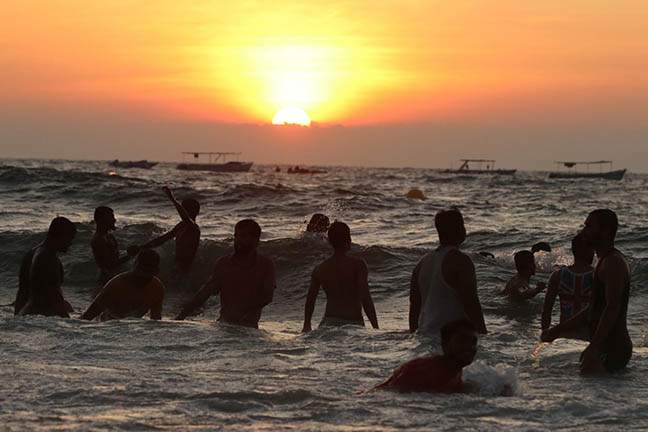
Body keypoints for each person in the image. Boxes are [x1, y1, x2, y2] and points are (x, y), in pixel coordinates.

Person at [541, 209, 632, 374]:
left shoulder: (613, 263)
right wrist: (556, 331)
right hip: (603, 346)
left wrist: (594, 347)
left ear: (605, 231)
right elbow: (592, 310)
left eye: (589, 226)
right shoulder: (603, 262)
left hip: (613, 348)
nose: (584, 231)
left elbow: (612, 308)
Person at [175, 219, 276, 328]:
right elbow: (206, 292)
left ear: (255, 240)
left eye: (243, 236)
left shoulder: (265, 264)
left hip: (249, 329)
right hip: (224, 327)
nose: (238, 240)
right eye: (236, 236)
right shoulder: (224, 263)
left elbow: (267, 296)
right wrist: (181, 316)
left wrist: (246, 312)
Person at [409, 209, 487, 336]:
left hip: (425, 337)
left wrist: (413, 334)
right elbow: (471, 303)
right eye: (462, 225)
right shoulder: (460, 260)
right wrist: (483, 334)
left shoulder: (422, 263)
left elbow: (414, 305)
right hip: (453, 339)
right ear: (459, 229)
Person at [302, 222, 379, 331]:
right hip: (353, 324)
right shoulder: (358, 265)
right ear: (349, 239)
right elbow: (365, 297)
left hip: (328, 324)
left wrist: (306, 324)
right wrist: (376, 328)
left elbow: (310, 300)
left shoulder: (320, 268)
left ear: (329, 241)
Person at [375, 319, 477, 393]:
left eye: (473, 342)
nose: (469, 347)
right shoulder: (423, 370)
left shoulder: (455, 369)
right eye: (462, 340)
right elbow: (391, 395)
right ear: (444, 344)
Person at [15, 217, 77, 317]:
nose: (71, 243)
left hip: (27, 314)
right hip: (41, 318)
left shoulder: (31, 254)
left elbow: (22, 294)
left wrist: (17, 319)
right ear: (61, 235)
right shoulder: (48, 258)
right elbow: (55, 298)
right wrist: (70, 325)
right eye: (70, 238)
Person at [81, 249, 164, 321]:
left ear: (156, 271)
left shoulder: (157, 288)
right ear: (134, 267)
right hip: (107, 326)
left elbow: (155, 321)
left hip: (136, 328)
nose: (142, 279)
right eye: (139, 274)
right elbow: (87, 316)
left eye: (147, 274)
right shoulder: (117, 285)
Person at [135, 186, 200, 273]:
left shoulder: (194, 228)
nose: (185, 211)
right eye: (184, 208)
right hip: (176, 266)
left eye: (187, 209)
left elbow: (186, 219)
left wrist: (172, 199)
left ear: (196, 211)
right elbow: (163, 239)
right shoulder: (180, 226)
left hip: (185, 268)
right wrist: (142, 247)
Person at [541, 234, 594, 330]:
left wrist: (544, 334)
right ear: (590, 251)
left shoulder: (557, 276)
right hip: (589, 332)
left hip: (565, 332)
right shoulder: (597, 276)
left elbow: (546, 311)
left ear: (573, 250)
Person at [91, 206, 138, 285]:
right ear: (101, 220)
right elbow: (109, 265)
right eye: (111, 217)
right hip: (106, 281)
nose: (114, 220)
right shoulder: (98, 240)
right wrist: (129, 255)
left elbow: (114, 260)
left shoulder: (109, 236)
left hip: (112, 278)